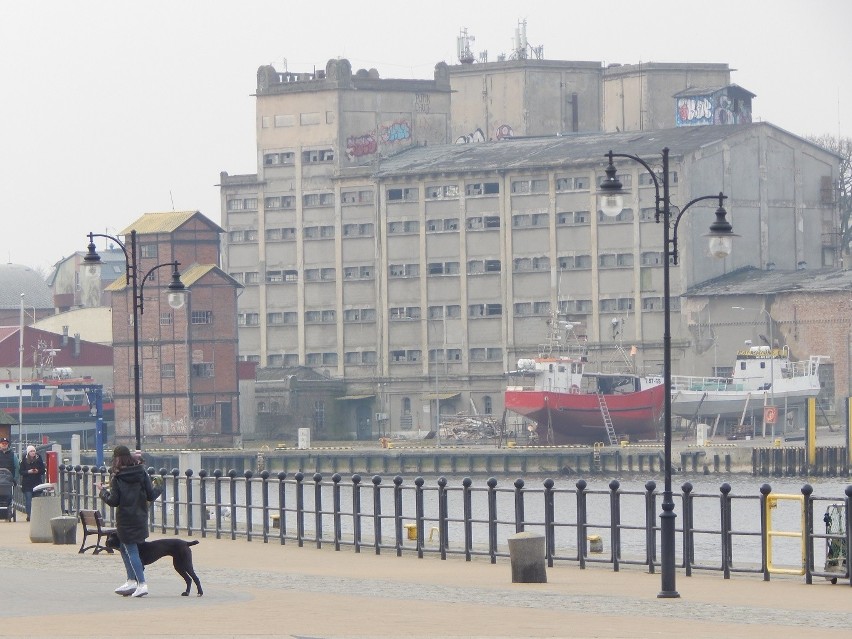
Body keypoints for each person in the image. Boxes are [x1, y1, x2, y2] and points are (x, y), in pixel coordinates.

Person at [98, 445, 161, 598]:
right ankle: (131, 580)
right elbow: (151, 495)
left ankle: (141, 583)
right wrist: (160, 487)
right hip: (140, 517)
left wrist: (102, 491)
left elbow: (113, 501)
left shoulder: (117, 476)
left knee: (131, 550)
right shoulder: (142, 472)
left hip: (125, 518)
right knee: (123, 547)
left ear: (117, 459)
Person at [19, 445, 45, 521]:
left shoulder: (39, 459)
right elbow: (21, 471)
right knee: (28, 499)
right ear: (28, 452)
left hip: (37, 482)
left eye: (34, 451)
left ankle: (37, 515)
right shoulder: (24, 460)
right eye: (31, 451)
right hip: (27, 483)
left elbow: (43, 470)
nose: (33, 452)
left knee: (37, 500)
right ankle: (29, 515)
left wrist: (38, 471)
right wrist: (28, 471)